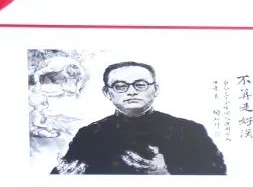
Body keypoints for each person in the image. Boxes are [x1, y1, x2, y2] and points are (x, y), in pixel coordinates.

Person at [52, 61, 227, 175]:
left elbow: (218, 175)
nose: (131, 91)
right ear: (107, 93)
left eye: (140, 85)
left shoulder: (189, 130)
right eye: (120, 86)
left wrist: (167, 174)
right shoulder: (89, 134)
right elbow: (63, 176)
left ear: (156, 89)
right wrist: (63, 175)